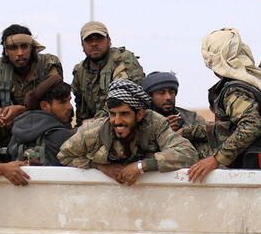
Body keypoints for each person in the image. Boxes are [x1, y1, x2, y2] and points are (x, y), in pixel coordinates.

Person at [182, 29, 261, 183]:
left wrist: (216, 159)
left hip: (250, 160)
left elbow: (252, 126)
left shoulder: (234, 90)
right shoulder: (252, 80)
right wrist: (186, 131)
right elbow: (228, 126)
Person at [57, 79, 197, 184]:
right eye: (113, 114)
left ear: (140, 114)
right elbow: (65, 155)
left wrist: (141, 166)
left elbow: (187, 154)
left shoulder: (154, 124)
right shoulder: (92, 132)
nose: (117, 121)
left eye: (124, 114)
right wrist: (100, 166)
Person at [0, 24, 64, 134]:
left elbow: (57, 103)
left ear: (31, 47)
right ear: (6, 51)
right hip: (11, 133)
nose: (20, 53)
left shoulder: (48, 64)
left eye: (24, 46)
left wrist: (23, 110)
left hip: (46, 129)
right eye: (14, 48)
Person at [71, 21, 145, 124]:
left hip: (127, 124)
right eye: (89, 40)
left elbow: (122, 97)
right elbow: (81, 109)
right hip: (96, 129)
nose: (94, 44)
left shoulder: (123, 59)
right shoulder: (80, 71)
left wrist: (95, 122)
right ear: (82, 45)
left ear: (109, 41)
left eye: (99, 39)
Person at [6, 75, 76, 166]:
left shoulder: (17, 133)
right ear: (44, 106)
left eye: (69, 101)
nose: (70, 107)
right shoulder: (64, 137)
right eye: (62, 102)